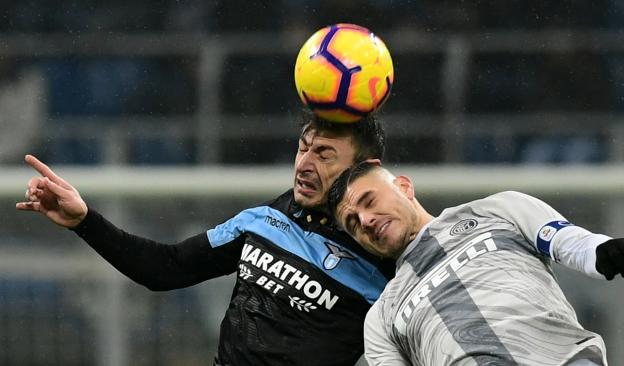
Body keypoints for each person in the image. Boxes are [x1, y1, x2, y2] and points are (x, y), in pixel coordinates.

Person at [15, 113, 395, 366]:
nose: (304, 164)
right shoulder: (269, 218)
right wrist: (84, 220)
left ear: (364, 169)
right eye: (303, 147)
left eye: (324, 154)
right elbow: (166, 269)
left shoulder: (387, 255)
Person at [327, 161, 624, 366]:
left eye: (369, 201)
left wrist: (601, 251)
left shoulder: (497, 210)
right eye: (353, 222)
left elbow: (569, 241)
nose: (366, 220)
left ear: (404, 186)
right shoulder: (382, 318)